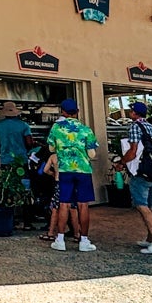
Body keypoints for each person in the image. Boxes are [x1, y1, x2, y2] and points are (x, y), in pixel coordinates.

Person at [44, 98, 98, 251]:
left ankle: (60, 240)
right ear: (77, 112)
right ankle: (84, 241)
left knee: (64, 204)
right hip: (83, 171)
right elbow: (92, 154)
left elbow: (51, 149)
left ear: (62, 112)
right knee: (83, 205)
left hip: (64, 170)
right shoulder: (86, 129)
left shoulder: (56, 128)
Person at [114, 101, 152, 254]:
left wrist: (122, 162)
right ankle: (150, 237)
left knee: (141, 206)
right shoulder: (151, 127)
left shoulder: (135, 127)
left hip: (140, 171)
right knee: (149, 206)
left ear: (134, 113)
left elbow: (133, 151)